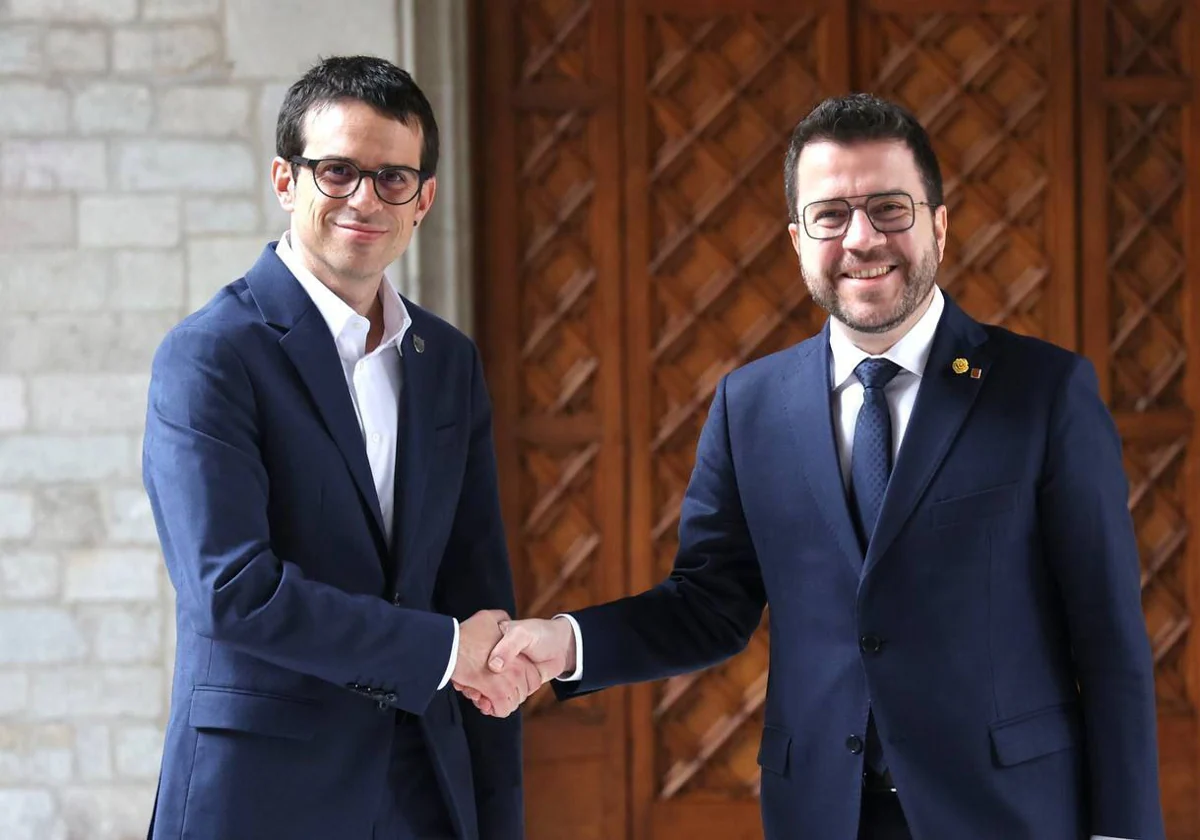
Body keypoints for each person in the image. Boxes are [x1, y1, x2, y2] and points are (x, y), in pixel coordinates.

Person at [471, 94, 1166, 840]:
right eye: (831, 215)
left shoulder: (1045, 391)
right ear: (798, 240)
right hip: (823, 815)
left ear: (937, 221)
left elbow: (1108, 634)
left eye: (890, 209)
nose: (862, 239)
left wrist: (1124, 830)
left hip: (1008, 814)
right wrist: (565, 642)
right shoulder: (751, 405)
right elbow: (708, 604)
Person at [142, 55, 537, 840]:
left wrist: (497, 812)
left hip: (426, 786)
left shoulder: (447, 360)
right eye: (337, 171)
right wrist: (443, 650)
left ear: (423, 200)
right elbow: (232, 591)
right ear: (286, 181)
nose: (365, 197)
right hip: (261, 793)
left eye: (393, 178)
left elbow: (475, 582)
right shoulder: (212, 354)